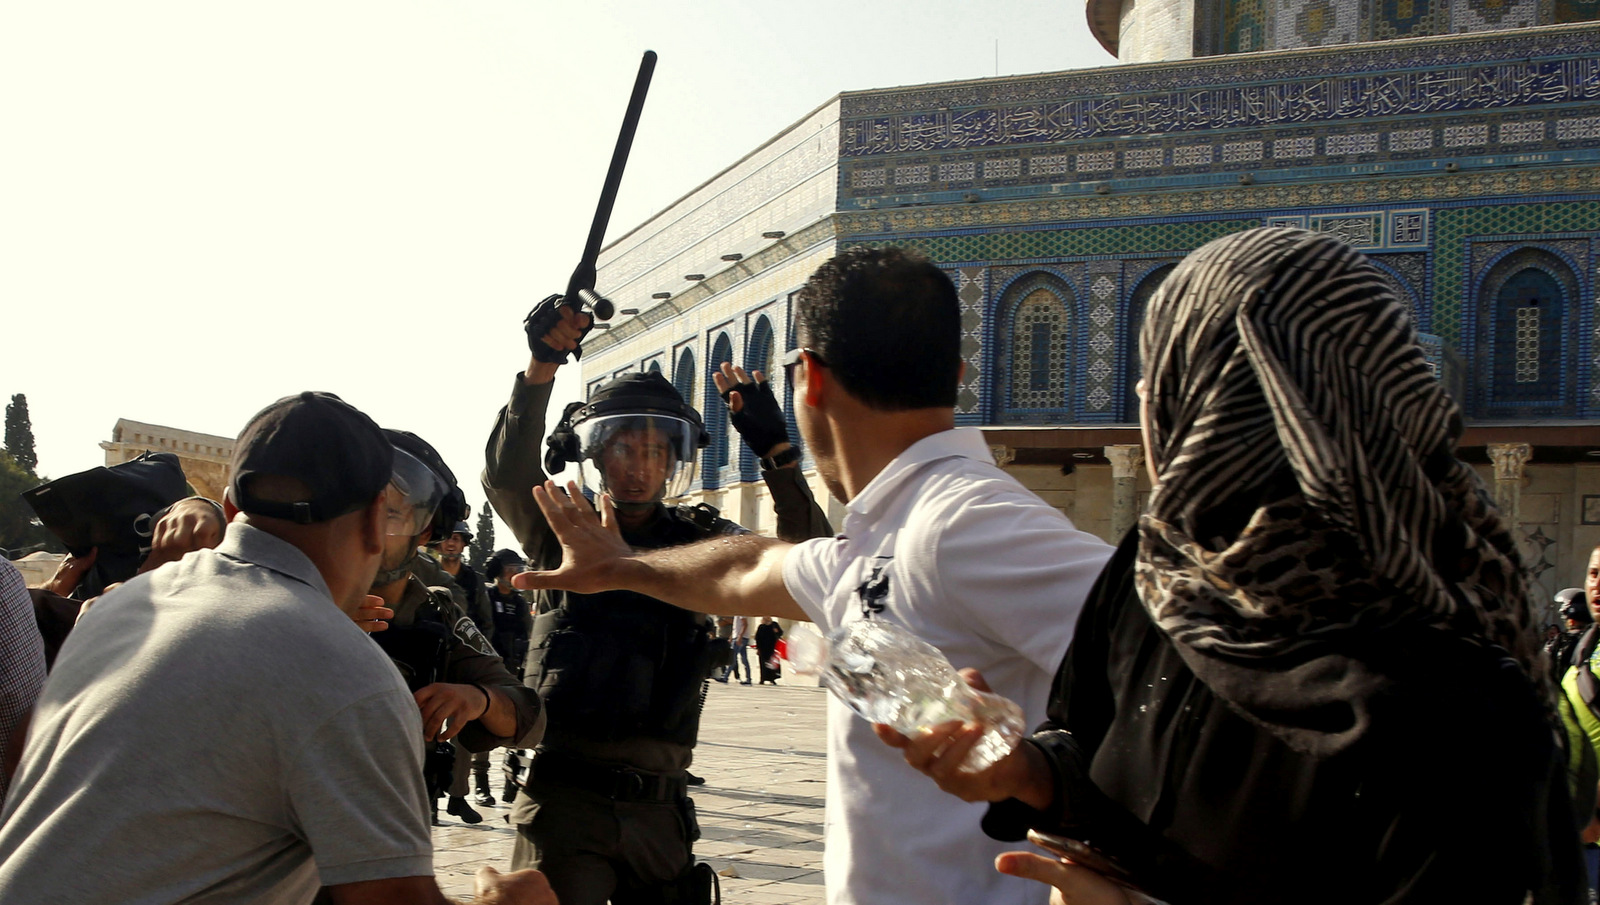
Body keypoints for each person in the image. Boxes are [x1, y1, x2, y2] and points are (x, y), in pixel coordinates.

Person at [877, 228, 1587, 904]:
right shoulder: (1155, 573)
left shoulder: (1459, 711)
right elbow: (1096, 746)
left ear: (1220, 410)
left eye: (1165, 376)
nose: (1144, 400)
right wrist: (1026, 770)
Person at [513, 247, 1113, 905]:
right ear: (960, 375)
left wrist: (1055, 786)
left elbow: (1181, 679)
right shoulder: (880, 533)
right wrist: (622, 567)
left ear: (812, 381)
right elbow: (752, 564)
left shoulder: (966, 519)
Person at [0, 391, 554, 905]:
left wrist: (477, 700)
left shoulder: (122, 608)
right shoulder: (343, 670)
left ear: (231, 506)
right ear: (370, 519)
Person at [483, 295, 829, 905]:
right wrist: (541, 369)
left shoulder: (700, 542)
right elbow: (510, 475)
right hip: (566, 805)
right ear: (597, 454)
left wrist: (778, 457)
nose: (639, 467)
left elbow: (816, 567)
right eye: (623, 448)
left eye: (654, 451)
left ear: (674, 459)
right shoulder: (564, 531)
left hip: (660, 813)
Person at [364, 429, 544, 828]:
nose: (371, 528)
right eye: (357, 510)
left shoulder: (434, 609)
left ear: (425, 529)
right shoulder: (293, 593)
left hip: (392, 828)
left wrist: (478, 699)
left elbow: (527, 717)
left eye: (392, 514)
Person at [754, 616, 783, 685]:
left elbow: (780, 633)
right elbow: (758, 638)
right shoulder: (761, 626)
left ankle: (772, 679)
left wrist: (777, 631)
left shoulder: (774, 624)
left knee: (772, 664)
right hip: (763, 648)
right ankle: (762, 679)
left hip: (772, 648)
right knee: (763, 664)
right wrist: (758, 648)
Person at [724, 614, 752, 684]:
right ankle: (748, 678)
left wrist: (740, 637)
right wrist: (731, 637)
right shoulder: (737, 613)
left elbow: (745, 624)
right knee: (744, 659)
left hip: (740, 638)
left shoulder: (741, 612)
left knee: (732, 656)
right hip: (739, 637)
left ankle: (725, 677)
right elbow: (736, 627)